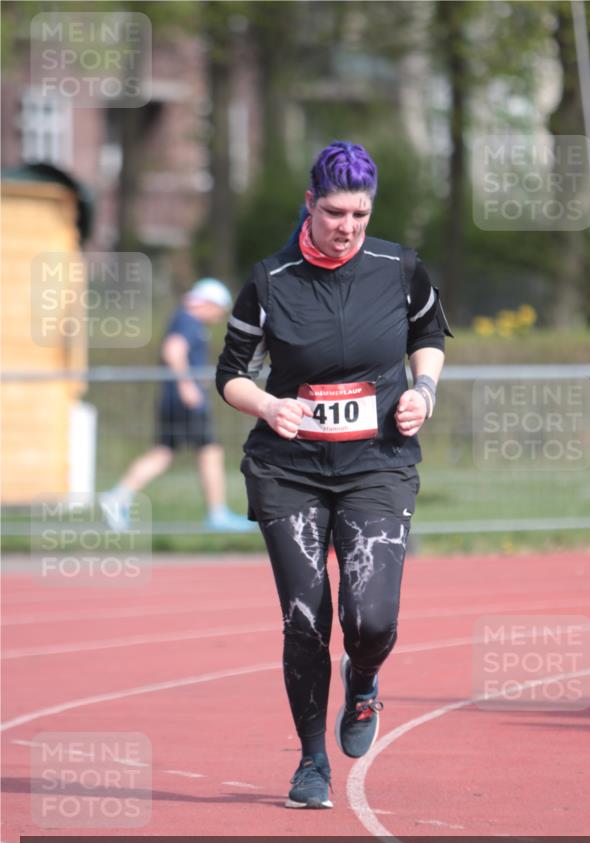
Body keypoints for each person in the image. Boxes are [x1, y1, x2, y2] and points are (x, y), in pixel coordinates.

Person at [216, 141, 452, 808]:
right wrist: (268, 404)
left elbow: (427, 335)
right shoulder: (270, 281)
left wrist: (423, 393)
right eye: (332, 212)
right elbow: (228, 374)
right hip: (287, 469)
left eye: (358, 214)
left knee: (369, 617)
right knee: (304, 618)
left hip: (376, 462)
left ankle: (366, 678)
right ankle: (311, 762)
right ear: (308, 204)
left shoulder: (399, 268)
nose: (345, 226)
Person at [101, 279, 254, 533]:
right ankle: (217, 513)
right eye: (218, 309)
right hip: (185, 400)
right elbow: (173, 350)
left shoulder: (183, 319)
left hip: (175, 398)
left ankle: (119, 496)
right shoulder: (188, 321)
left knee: (164, 452)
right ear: (207, 303)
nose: (218, 316)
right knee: (210, 451)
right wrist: (187, 385)